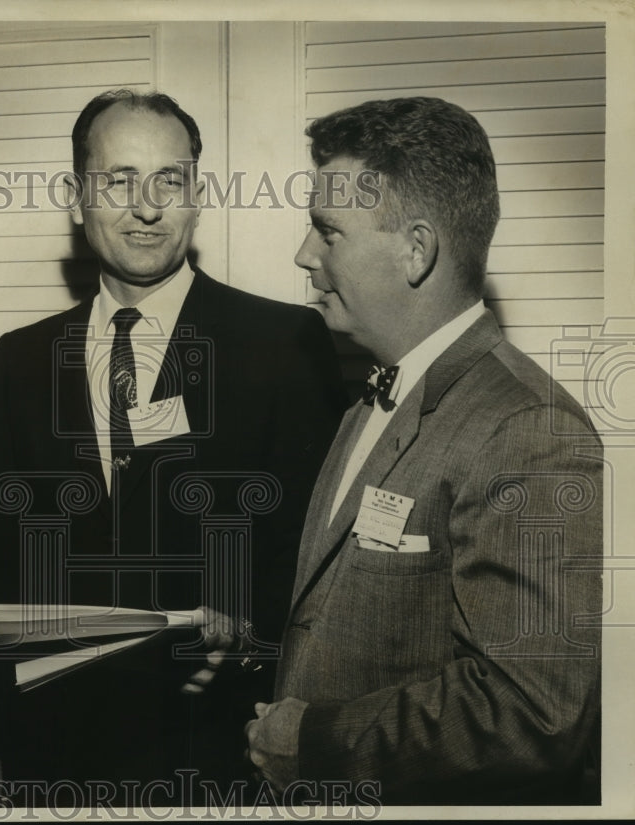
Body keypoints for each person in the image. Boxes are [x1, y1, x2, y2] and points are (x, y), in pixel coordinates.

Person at [0, 89, 347, 799]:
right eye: (118, 180)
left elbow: (312, 566)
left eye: (169, 180)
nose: (147, 207)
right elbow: (3, 569)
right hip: (57, 761)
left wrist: (240, 643)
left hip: (224, 757)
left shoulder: (284, 345)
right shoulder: (21, 358)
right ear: (77, 197)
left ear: (197, 195)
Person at [247, 96, 603, 806]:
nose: (304, 255)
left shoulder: (528, 430)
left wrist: (311, 742)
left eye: (328, 231)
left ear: (416, 249)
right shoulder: (368, 399)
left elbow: (531, 713)